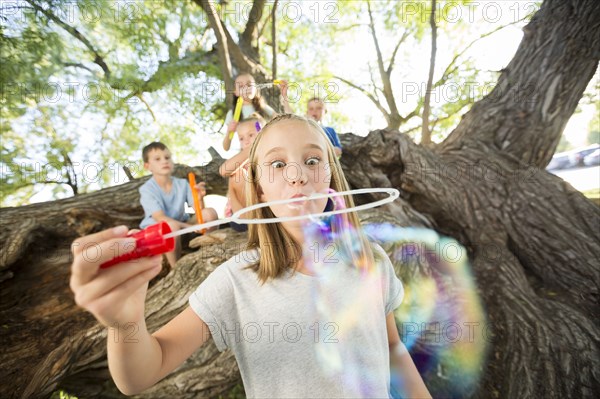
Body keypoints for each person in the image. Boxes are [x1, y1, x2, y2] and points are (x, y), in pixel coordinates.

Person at [69, 115, 431, 398]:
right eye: (277, 164)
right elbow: (141, 374)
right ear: (257, 189)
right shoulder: (236, 280)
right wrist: (126, 324)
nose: (297, 176)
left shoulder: (373, 261)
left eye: (311, 160)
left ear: (331, 178)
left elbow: (393, 346)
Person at [138, 142, 218, 268]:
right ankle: (176, 268)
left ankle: (210, 253)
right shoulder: (147, 189)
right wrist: (188, 227)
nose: (164, 161)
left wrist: (199, 199)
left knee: (209, 213)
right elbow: (160, 218)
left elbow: (200, 212)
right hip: (160, 231)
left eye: (167, 157)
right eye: (158, 159)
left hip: (180, 225)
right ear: (147, 166)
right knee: (171, 226)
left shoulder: (182, 183)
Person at [219, 113, 266, 232]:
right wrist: (251, 149)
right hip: (242, 219)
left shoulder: (271, 157)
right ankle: (251, 224)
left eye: (251, 135)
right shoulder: (242, 160)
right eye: (241, 138)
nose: (246, 141)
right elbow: (223, 170)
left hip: (266, 212)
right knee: (237, 174)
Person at [222, 73, 292, 152]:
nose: (246, 88)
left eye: (249, 85)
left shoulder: (263, 108)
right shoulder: (233, 114)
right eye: (241, 86)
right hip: (247, 152)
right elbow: (226, 147)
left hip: (267, 148)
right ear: (236, 92)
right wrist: (229, 132)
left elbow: (287, 120)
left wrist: (285, 96)